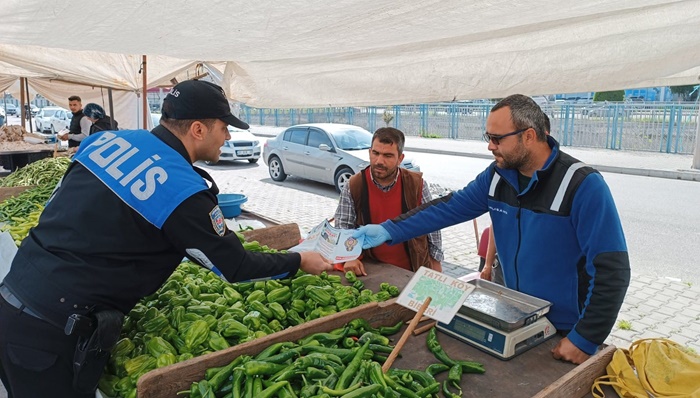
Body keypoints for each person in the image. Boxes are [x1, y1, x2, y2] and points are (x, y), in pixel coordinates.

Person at [0, 80, 332, 397]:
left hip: (14, 292)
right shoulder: (182, 189)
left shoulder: (106, 141)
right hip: (50, 329)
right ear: (198, 129)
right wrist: (300, 259)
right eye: (224, 127)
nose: (227, 137)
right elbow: (236, 266)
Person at [353, 94, 630, 365]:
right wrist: (388, 230)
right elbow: (448, 208)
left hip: (565, 330)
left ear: (529, 136)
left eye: (497, 139)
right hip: (516, 315)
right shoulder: (498, 176)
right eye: (488, 138)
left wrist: (586, 337)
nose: (490, 146)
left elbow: (612, 270)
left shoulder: (583, 185)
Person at [333, 127, 443, 276]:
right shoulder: (354, 185)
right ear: (369, 152)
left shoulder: (417, 184)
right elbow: (343, 226)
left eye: (388, 156)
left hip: (412, 267)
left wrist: (435, 263)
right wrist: (349, 257)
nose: (379, 161)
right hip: (371, 268)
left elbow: (432, 225)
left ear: (400, 159)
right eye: (375, 153)